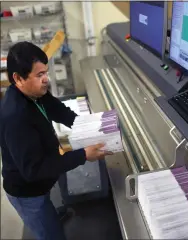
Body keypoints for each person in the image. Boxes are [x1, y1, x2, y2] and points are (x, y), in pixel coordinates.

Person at [0, 41, 113, 240]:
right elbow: (35, 171)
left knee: (48, 209)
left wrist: (89, 127)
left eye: (46, 72)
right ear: (18, 78)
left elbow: (59, 111)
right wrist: (83, 155)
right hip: (28, 193)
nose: (46, 80)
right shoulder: (16, 116)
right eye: (39, 75)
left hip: (42, 183)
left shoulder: (35, 93)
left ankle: (50, 214)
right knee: (51, 234)